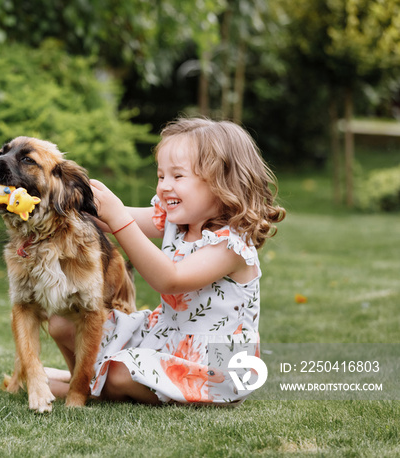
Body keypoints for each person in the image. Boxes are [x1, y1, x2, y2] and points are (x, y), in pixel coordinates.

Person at [47, 117, 286, 405]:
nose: (164, 187)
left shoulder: (230, 245)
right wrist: (63, 196)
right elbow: (109, 221)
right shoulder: (175, 220)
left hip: (214, 367)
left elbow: (169, 280)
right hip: (161, 338)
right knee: (63, 323)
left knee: (122, 374)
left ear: (222, 183)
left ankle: (83, 386)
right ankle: (83, 378)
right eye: (161, 176)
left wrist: (119, 217)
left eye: (178, 176)